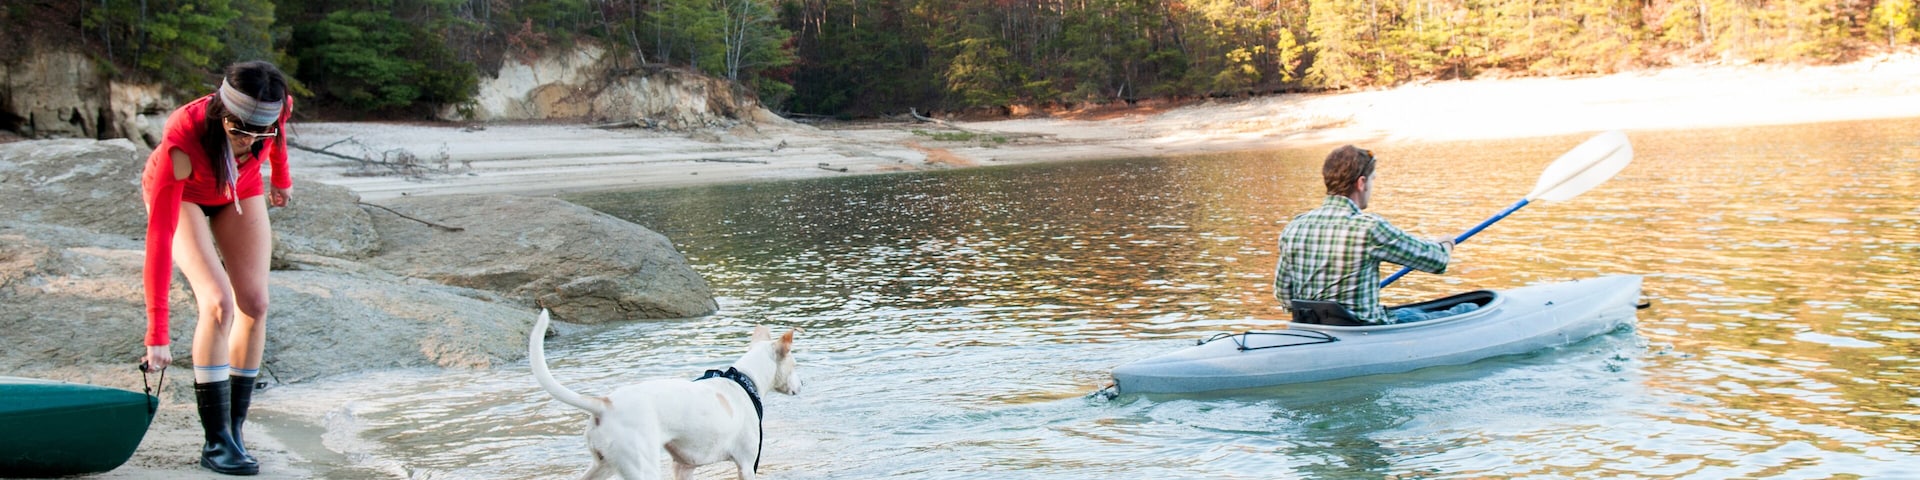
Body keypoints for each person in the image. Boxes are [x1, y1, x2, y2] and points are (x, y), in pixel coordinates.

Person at [138, 60, 293, 476]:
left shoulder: (274, 113)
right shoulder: (183, 135)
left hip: (237, 188)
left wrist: (281, 178)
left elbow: (277, 142)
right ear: (223, 113)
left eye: (260, 132)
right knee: (220, 302)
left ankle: (235, 429)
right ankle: (216, 440)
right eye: (240, 131)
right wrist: (157, 334)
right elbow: (159, 236)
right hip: (184, 190)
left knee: (255, 303)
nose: (249, 141)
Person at [1274, 145, 1461, 325]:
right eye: (1372, 179)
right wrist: (1446, 243)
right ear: (1361, 183)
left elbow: (1284, 295)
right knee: (1465, 308)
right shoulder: (1369, 228)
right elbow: (1437, 261)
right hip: (1363, 329)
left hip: (1314, 328)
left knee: (1409, 313)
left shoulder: (1294, 227)